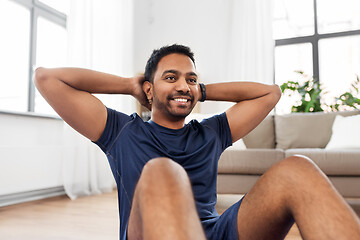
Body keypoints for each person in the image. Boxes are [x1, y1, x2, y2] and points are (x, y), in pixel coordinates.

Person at [35, 44, 360, 240]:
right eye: (171, 77)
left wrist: (199, 90)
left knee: (296, 170)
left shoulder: (211, 131)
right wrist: (129, 85)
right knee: (163, 169)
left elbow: (269, 93)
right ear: (149, 89)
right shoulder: (122, 132)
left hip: (214, 233)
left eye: (191, 79)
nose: (184, 85)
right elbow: (48, 78)